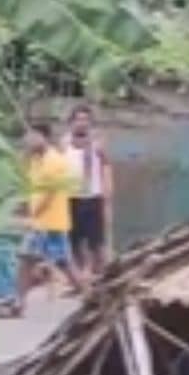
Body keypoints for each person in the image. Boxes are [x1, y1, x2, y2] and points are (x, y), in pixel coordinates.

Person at [4, 127, 84, 318]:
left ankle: (93, 297)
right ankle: (19, 304)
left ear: (44, 137)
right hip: (43, 223)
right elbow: (27, 183)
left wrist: (34, 215)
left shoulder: (54, 161)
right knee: (38, 261)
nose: (28, 140)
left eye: (32, 136)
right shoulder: (36, 160)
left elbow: (50, 193)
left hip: (50, 222)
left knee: (53, 263)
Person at [61, 104, 111, 278]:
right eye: (78, 119)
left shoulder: (97, 144)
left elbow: (106, 165)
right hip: (70, 197)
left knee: (96, 239)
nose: (82, 123)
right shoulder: (64, 143)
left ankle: (100, 271)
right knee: (74, 238)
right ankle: (82, 272)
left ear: (90, 123)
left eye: (85, 119)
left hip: (92, 196)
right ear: (71, 122)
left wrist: (107, 189)